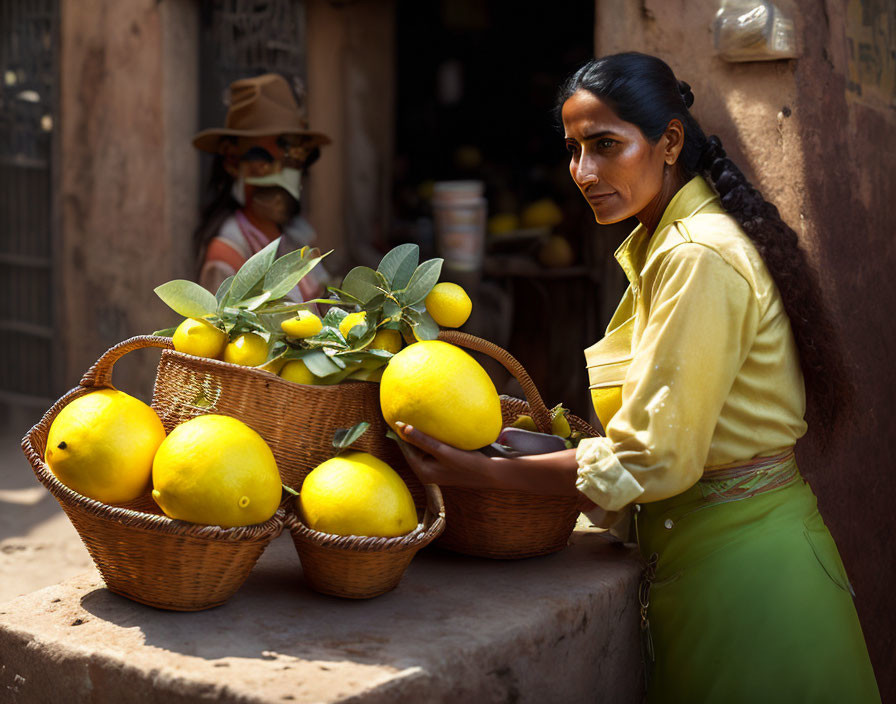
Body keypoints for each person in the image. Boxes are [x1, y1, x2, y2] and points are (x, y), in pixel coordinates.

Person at [395, 52, 881, 703]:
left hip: (752, 593)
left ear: (669, 141)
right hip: (713, 569)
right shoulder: (666, 247)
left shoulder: (696, 256)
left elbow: (651, 460)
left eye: (605, 146)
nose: (584, 172)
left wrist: (482, 472)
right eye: (572, 150)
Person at [192, 73, 332, 300]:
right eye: (264, 159)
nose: (282, 174)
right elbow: (218, 332)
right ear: (232, 161)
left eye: (291, 157)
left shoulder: (293, 238)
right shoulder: (229, 252)